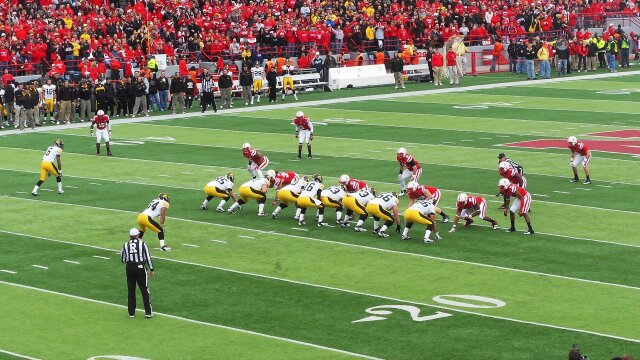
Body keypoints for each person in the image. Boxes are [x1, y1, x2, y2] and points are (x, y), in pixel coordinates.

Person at [121, 228, 154, 319]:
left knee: (131, 290)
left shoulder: (125, 245)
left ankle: (131, 313)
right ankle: (148, 312)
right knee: (144, 290)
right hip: (140, 268)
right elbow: (148, 256)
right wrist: (151, 269)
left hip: (130, 268)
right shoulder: (142, 243)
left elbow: (123, 259)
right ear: (137, 235)